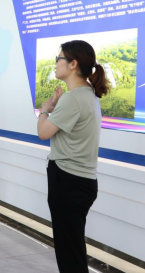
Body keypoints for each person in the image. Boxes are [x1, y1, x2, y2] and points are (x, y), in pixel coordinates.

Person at [37, 40, 109, 273]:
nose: (56, 64)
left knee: (69, 253)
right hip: (80, 182)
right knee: (73, 249)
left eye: (58, 59)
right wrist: (58, 107)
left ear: (73, 64)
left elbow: (43, 132)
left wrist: (46, 109)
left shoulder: (73, 98)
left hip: (68, 181)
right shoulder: (86, 95)